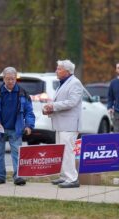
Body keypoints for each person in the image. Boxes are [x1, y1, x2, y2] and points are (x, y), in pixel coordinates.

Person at [0, 67, 35, 186]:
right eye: (8, 79)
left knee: (17, 152)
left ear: (16, 78)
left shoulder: (23, 93)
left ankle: (18, 177)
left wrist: (29, 126)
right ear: (4, 79)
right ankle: (0, 177)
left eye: (13, 79)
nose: (10, 81)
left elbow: (29, 112)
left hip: (16, 129)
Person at [43, 59, 82, 188]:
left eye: (59, 69)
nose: (56, 71)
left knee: (68, 152)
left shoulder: (75, 83)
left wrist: (53, 106)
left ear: (67, 71)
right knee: (61, 151)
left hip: (69, 125)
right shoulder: (63, 83)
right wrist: (49, 110)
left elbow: (71, 102)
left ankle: (72, 179)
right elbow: (62, 102)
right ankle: (64, 176)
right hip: (61, 124)